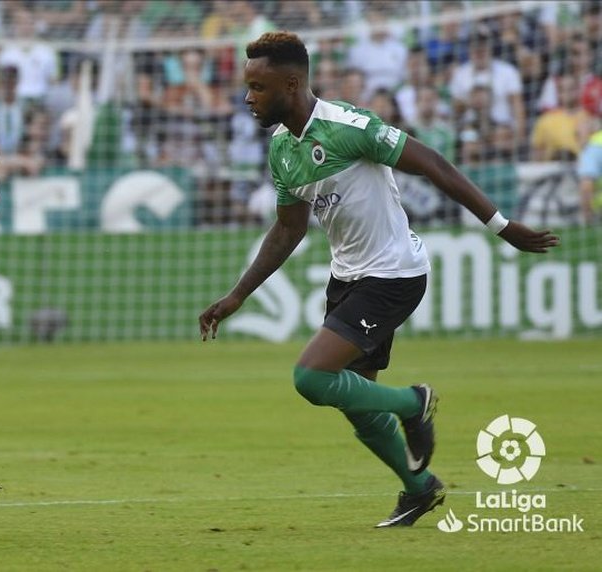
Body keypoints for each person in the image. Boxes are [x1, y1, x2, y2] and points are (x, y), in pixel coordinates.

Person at [198, 32, 559, 528]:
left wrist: (502, 226)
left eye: (258, 87)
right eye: (248, 87)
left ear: (292, 82)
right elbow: (288, 228)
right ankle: (420, 489)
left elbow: (432, 163)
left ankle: (414, 402)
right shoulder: (283, 148)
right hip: (347, 276)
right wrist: (237, 295)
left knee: (311, 377)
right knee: (358, 404)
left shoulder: (350, 127)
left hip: (394, 273)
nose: (248, 97)